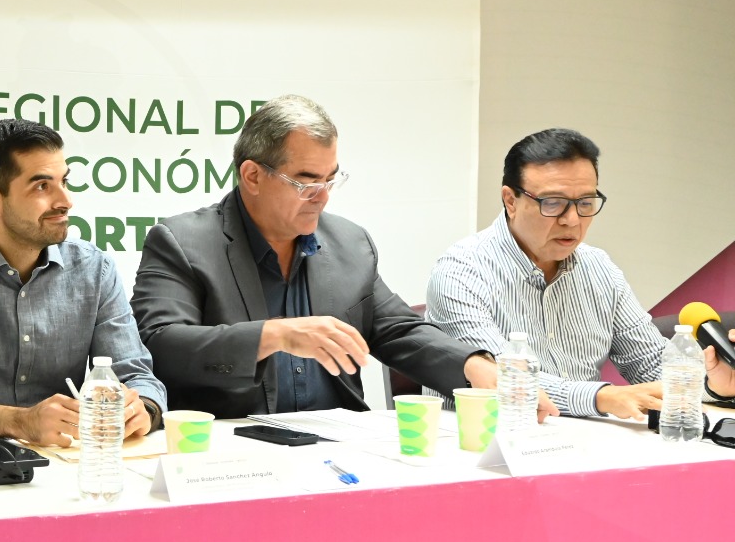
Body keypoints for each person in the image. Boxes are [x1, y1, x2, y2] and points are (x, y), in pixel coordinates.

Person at [131, 94, 520, 420]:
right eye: (305, 181)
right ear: (252, 176)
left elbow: (398, 331)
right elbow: (160, 346)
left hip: (338, 445)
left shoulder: (350, 242)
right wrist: (274, 335)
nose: (323, 197)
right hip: (230, 448)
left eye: (330, 179)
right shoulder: (183, 242)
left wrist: (472, 364)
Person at [426, 128, 735, 417]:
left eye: (585, 202)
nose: (572, 220)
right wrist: (601, 397)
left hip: (584, 441)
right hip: (485, 443)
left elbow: (650, 364)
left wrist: (713, 383)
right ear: (511, 200)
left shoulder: (599, 269)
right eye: (553, 203)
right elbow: (503, 380)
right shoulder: (460, 273)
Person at [0, 119, 165, 446]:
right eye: (42, 186)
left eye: (64, 181)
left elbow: (137, 376)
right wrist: (20, 422)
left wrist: (142, 409)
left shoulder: (95, 269)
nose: (65, 200)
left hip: (71, 459)